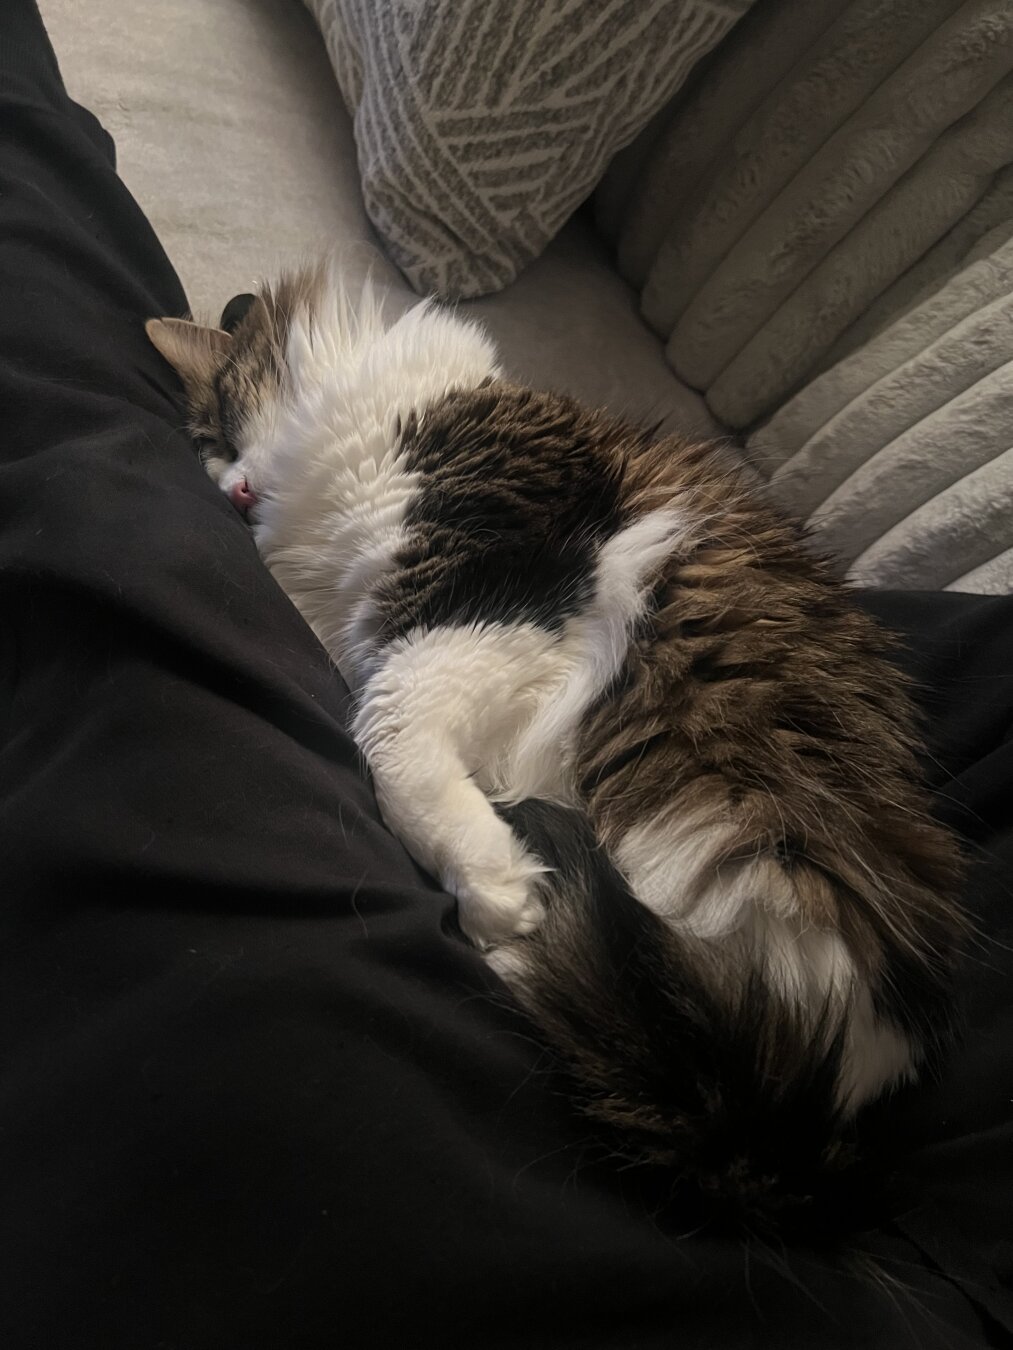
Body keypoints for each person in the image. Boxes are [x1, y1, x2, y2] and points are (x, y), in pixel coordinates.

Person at [1, 3, 1011, 1345]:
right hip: (785, 1022)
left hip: (757, 870)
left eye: (223, 453)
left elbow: (486, 608)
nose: (232, 491)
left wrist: (409, 754)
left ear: (261, 364)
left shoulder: (426, 422)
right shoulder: (373, 473)